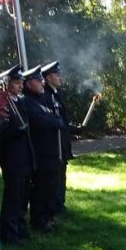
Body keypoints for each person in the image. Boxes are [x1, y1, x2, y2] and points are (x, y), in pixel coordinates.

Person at [22, 65, 64, 233]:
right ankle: (39, 221)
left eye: (41, 80)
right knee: (40, 189)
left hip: (50, 153)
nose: (41, 83)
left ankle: (48, 218)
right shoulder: (28, 102)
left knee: (50, 187)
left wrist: (55, 121)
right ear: (29, 84)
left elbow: (54, 118)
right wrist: (55, 122)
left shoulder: (40, 101)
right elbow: (43, 122)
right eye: (38, 80)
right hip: (40, 154)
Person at [0, 65, 34, 244]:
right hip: (11, 157)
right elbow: (0, 133)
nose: (20, 86)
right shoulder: (2, 104)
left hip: (24, 156)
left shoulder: (19, 102)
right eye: (16, 83)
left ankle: (19, 227)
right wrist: (17, 131)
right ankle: (9, 233)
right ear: (6, 84)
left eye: (21, 83)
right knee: (13, 195)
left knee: (23, 195)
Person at [40, 61, 74, 216]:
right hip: (54, 146)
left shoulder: (56, 93)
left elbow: (63, 120)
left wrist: (74, 128)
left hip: (62, 143)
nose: (60, 77)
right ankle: (54, 206)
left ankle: (60, 204)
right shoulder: (46, 96)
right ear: (48, 77)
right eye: (56, 74)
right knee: (54, 178)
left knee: (61, 175)